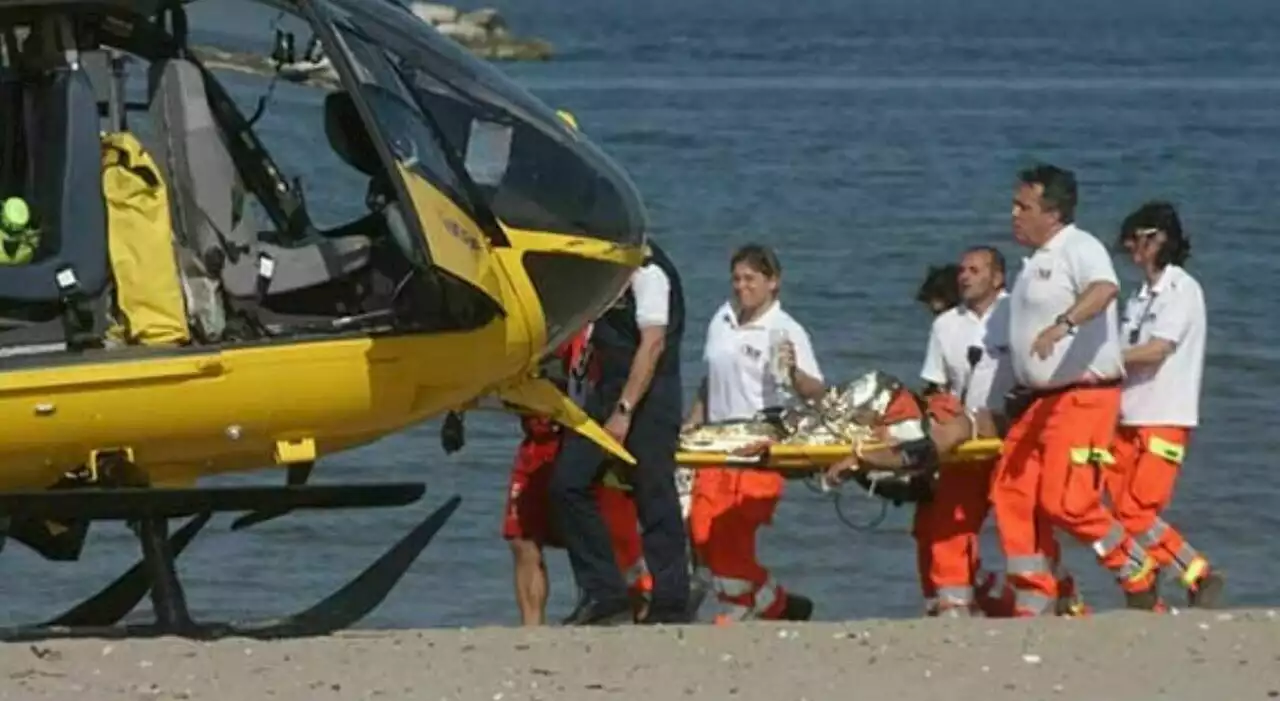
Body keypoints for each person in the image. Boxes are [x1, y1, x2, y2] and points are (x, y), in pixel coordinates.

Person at [549, 240, 691, 625]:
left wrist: (625, 412)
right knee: (568, 482)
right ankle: (605, 593)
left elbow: (653, 344)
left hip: (649, 397)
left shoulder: (649, 272)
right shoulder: (606, 275)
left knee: (654, 494)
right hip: (605, 391)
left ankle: (671, 601)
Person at [682, 244, 824, 624]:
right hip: (714, 443)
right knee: (700, 534)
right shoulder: (722, 318)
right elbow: (708, 381)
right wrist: (692, 420)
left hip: (760, 443)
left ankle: (740, 608)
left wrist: (794, 372)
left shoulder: (785, 329)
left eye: (751, 279)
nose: (742, 287)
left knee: (732, 535)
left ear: (773, 282)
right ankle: (775, 603)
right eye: (737, 279)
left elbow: (817, 392)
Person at [1108, 201, 1223, 609]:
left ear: (1160, 239)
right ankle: (1146, 588)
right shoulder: (1139, 297)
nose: (1131, 249)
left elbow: (1156, 350)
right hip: (1127, 416)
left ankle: (1197, 573)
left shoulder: (1181, 289)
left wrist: (1106, 361)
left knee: (1140, 510)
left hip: (1164, 417)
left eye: (1136, 240)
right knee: (1118, 511)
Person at [501, 326, 652, 625]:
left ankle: (642, 615)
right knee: (522, 537)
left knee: (613, 542)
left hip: (577, 434)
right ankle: (532, 629)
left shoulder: (593, 329)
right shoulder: (528, 327)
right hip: (535, 438)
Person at [911, 245, 1012, 616]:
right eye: (963, 270)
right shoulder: (946, 325)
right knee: (946, 524)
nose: (965, 275)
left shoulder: (1017, 313)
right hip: (962, 442)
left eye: (975, 269)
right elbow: (935, 389)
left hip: (1012, 436)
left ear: (997, 277)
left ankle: (1057, 597)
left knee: (1026, 526)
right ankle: (952, 607)